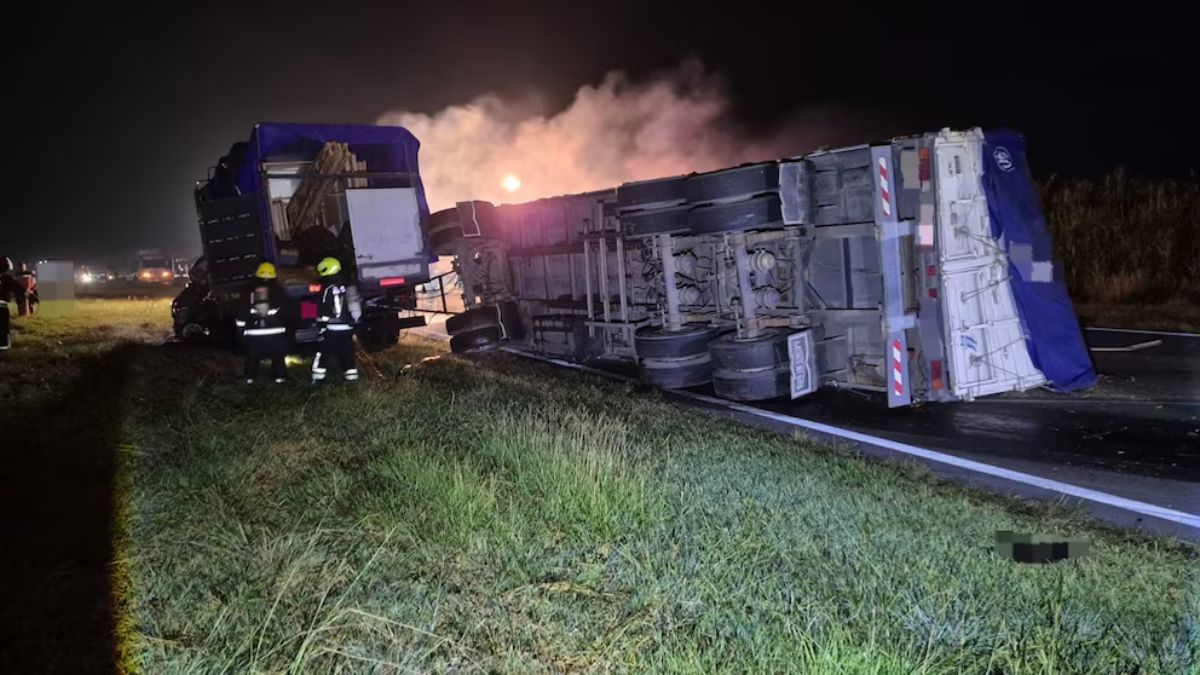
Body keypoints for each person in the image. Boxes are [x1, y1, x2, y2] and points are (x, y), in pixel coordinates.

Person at [234, 262, 289, 384]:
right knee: (278, 358)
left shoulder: (248, 291)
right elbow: (287, 312)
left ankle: (250, 379)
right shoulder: (280, 291)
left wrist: (240, 331)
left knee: (252, 359)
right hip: (276, 334)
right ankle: (280, 379)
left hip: (254, 334)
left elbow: (241, 312)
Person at [312, 256, 362, 384]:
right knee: (347, 354)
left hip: (331, 329)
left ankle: (318, 379)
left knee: (322, 353)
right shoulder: (347, 286)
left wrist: (316, 324)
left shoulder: (326, 288)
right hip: (347, 328)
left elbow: (322, 307)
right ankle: (351, 379)